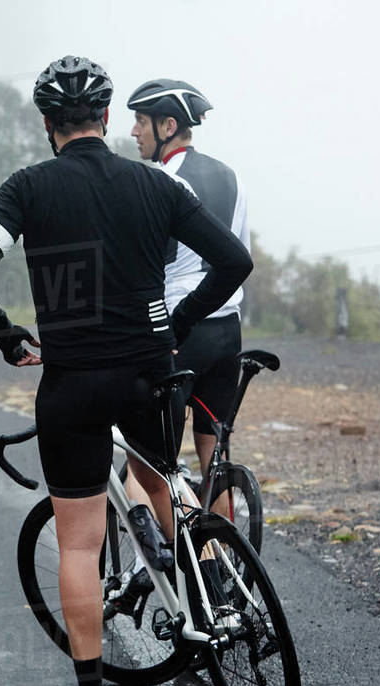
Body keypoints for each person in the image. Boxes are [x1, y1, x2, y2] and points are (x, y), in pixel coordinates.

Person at [0, 56, 253, 686]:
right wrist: (173, 324)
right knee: (166, 479)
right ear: (109, 118)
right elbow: (233, 259)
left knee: (81, 545)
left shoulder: (26, 188)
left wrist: (7, 338)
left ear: (47, 125)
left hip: (72, 382)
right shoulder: (152, 183)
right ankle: (206, 604)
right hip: (152, 371)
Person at [127, 79, 250, 498]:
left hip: (180, 328)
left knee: (148, 459)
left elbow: (145, 264)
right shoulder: (233, 177)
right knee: (215, 459)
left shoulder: (159, 181)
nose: (133, 132)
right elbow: (239, 253)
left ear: (167, 125)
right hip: (227, 329)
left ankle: (171, 559)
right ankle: (221, 560)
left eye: (140, 121)